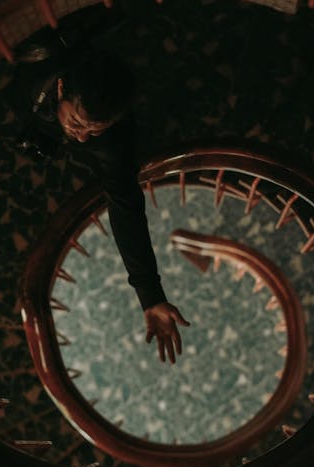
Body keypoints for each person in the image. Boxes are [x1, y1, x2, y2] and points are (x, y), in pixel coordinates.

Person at [15, 29, 189, 364]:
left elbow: (127, 210)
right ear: (62, 87)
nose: (82, 139)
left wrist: (150, 295)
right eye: (78, 123)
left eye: (95, 131)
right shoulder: (39, 64)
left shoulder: (115, 144)